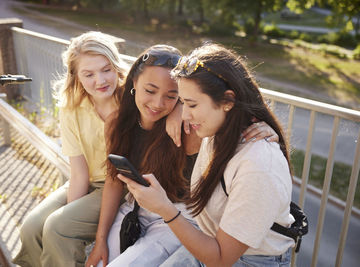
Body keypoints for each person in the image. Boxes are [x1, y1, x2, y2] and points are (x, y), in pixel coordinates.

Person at [86, 44, 279, 267]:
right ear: (134, 83)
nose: (158, 103)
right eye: (150, 91)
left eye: (172, 96)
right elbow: (113, 181)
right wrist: (100, 239)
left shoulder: (189, 126)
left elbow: (227, 114)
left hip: (177, 216)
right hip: (135, 207)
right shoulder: (117, 123)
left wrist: (266, 128)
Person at [13, 31, 128, 267]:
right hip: (88, 183)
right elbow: (79, 173)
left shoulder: (131, 101)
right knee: (32, 227)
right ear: (76, 77)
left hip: (122, 186)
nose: (101, 80)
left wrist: (65, 219)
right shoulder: (71, 108)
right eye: (89, 74)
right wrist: (71, 210)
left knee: (58, 228)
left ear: (116, 66)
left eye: (106, 69)